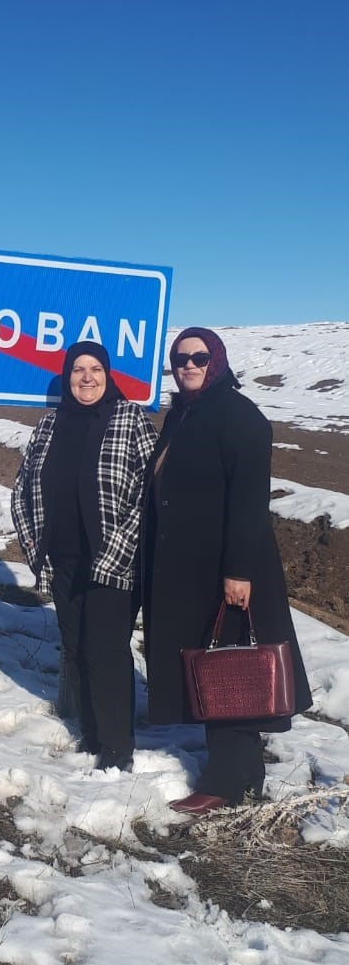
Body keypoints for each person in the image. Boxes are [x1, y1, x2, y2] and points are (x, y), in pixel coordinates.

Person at [142, 326, 312, 813]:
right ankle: (245, 776)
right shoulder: (187, 412)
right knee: (216, 665)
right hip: (193, 566)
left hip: (229, 569)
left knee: (231, 673)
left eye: (198, 357)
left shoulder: (239, 417)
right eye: (180, 359)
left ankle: (225, 783)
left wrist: (238, 570)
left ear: (216, 361)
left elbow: (248, 503)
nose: (188, 365)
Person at [12, 341, 157, 770]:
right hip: (63, 559)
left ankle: (117, 749)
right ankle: (92, 735)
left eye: (95, 368)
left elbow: (151, 493)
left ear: (108, 375)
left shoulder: (131, 419)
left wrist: (120, 548)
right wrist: (37, 547)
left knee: (107, 651)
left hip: (116, 558)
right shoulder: (49, 424)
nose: (87, 377)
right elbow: (23, 488)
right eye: (78, 369)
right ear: (67, 375)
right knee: (75, 646)